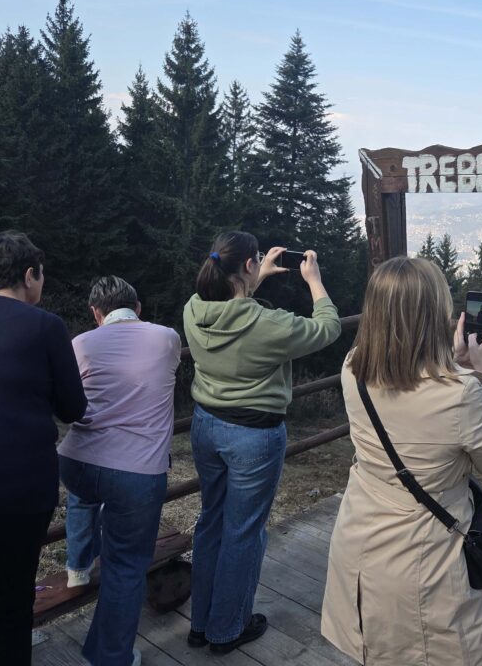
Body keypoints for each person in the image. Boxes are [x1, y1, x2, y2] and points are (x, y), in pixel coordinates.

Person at [321, 257, 482, 666]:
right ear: (436, 314)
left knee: (377, 649)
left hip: (360, 535)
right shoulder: (460, 393)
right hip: (424, 555)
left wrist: (456, 362)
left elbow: (405, 374)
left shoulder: (353, 366)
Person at [184, 231, 341, 654]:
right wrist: (313, 280)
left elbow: (231, 302)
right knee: (244, 533)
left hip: (206, 425)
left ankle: (201, 624)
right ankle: (227, 629)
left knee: (210, 522)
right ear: (249, 266)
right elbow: (327, 328)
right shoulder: (268, 324)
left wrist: (257, 278)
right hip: (254, 435)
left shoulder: (193, 309)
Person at [57, 276, 181, 666]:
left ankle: (77, 564)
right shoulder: (166, 338)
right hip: (137, 472)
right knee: (126, 565)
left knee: (85, 495)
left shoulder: (79, 343)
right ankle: (110, 656)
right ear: (138, 307)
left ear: (96, 313)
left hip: (76, 462)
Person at [0, 231, 87, 666]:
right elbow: (73, 407)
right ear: (29, 275)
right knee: (9, 600)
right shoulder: (45, 326)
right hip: (18, 489)